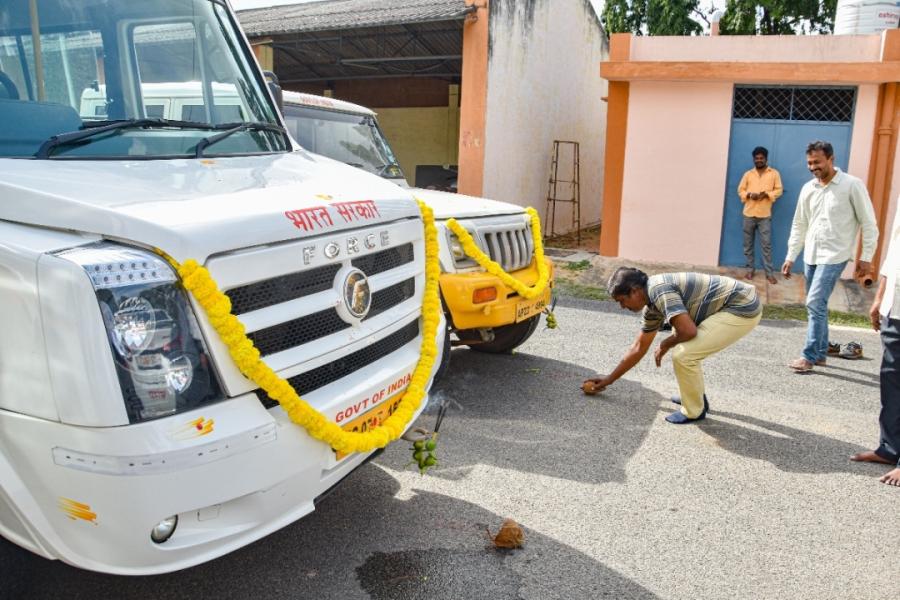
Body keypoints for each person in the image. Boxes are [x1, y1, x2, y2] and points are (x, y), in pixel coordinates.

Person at [583, 268, 761, 424]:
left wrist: (665, 343)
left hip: (741, 307)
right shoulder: (651, 305)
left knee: (684, 355)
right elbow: (638, 348)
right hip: (730, 304)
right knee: (687, 352)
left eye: (622, 300)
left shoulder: (659, 291)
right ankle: (694, 398)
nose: (622, 306)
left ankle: (694, 411)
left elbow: (688, 331)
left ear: (635, 291)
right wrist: (609, 379)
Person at [782, 140, 878, 373]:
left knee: (814, 301)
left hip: (835, 254)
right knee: (818, 304)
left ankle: (810, 355)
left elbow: (869, 223)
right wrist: (791, 255)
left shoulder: (852, 185)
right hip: (811, 254)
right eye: (809, 163)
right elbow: (799, 224)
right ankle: (822, 353)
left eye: (817, 162)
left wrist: (866, 256)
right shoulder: (808, 189)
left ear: (831, 159)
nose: (813, 167)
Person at [851, 199, 900, 486]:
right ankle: (889, 448)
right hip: (895, 306)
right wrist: (880, 298)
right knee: (891, 380)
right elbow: (894, 251)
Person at [737, 146, 783, 284]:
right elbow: (740, 190)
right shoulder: (748, 174)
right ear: (754, 159)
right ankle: (750, 270)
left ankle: (769, 273)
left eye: (761, 158)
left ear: (766, 159)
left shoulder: (774, 173)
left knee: (766, 245)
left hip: (764, 215)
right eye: (756, 158)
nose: (759, 160)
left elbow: (779, 190)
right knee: (748, 244)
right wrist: (750, 194)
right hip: (748, 214)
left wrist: (767, 194)